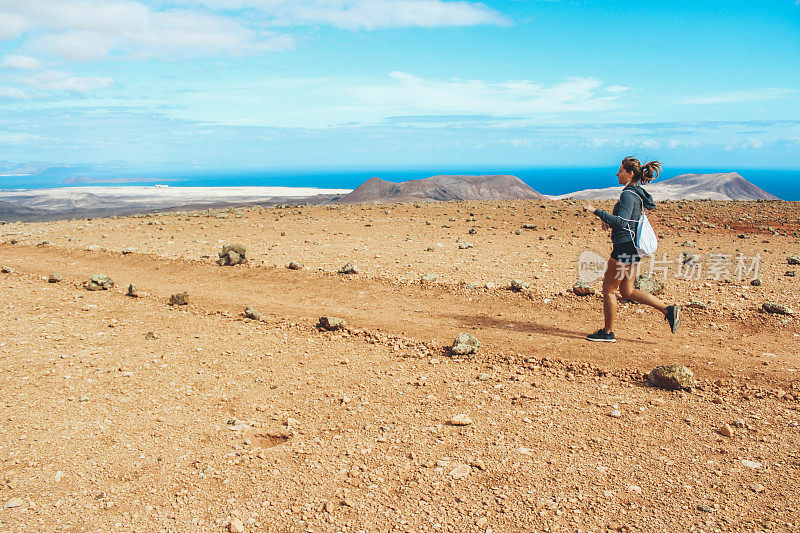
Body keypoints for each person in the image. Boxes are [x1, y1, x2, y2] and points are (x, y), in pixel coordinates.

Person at [581, 156, 680, 342]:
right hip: (632, 249)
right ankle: (668, 310)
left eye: (621, 171)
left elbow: (622, 221)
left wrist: (596, 212)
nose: (617, 174)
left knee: (609, 289)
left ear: (630, 173)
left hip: (624, 249)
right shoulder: (637, 193)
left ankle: (608, 332)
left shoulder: (627, 194)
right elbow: (627, 221)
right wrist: (608, 220)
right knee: (627, 291)